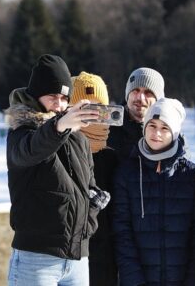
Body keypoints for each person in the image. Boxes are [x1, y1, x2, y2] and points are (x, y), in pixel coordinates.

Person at [5, 54, 109, 286]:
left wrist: (93, 205)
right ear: (36, 95)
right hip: (36, 260)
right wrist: (60, 126)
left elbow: (85, 187)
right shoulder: (22, 132)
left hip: (77, 260)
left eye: (64, 98)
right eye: (52, 96)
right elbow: (29, 151)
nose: (59, 104)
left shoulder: (79, 140)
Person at [113, 98, 195, 285]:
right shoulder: (126, 173)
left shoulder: (193, 175)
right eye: (152, 125)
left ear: (175, 133)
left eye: (165, 128)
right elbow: (122, 233)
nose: (156, 133)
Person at [70, 72, 119, 286]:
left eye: (99, 109)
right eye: (85, 109)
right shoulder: (57, 152)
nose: (93, 117)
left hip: (107, 262)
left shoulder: (113, 158)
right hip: (68, 260)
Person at [108, 67, 165, 161]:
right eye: (136, 90)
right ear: (128, 94)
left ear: (158, 100)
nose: (140, 98)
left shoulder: (169, 135)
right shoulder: (107, 129)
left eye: (148, 92)